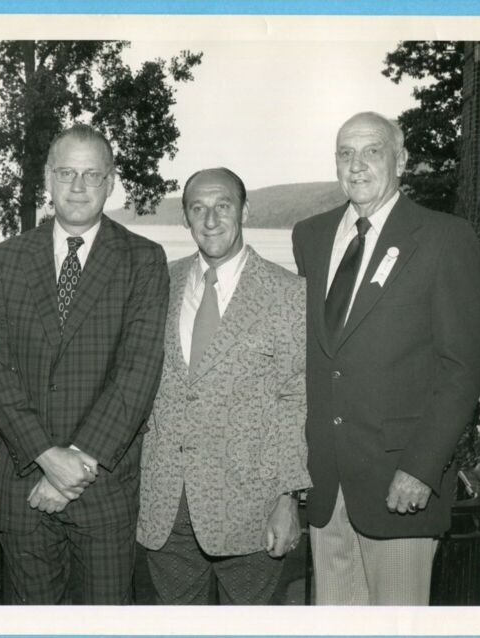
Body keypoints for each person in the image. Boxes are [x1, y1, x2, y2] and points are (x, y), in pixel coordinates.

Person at [291, 112, 480, 605]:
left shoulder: (444, 237)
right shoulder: (310, 237)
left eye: (371, 151)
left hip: (400, 481)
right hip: (326, 481)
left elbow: (462, 368)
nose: (356, 165)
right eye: (344, 153)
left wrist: (421, 466)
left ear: (401, 159)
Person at [0, 123, 169, 605]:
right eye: (67, 173)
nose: (79, 186)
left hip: (103, 488)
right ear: (48, 178)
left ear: (110, 182)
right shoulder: (5, 260)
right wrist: (46, 457)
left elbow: (138, 372)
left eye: (92, 174)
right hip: (24, 483)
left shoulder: (143, 260)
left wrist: (74, 468)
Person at [136, 167, 311, 604]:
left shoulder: (287, 292)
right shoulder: (160, 282)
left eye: (223, 206)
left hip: (251, 508)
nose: (210, 219)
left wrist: (287, 497)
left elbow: (296, 398)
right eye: (198, 208)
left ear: (244, 211)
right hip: (166, 506)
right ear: (185, 218)